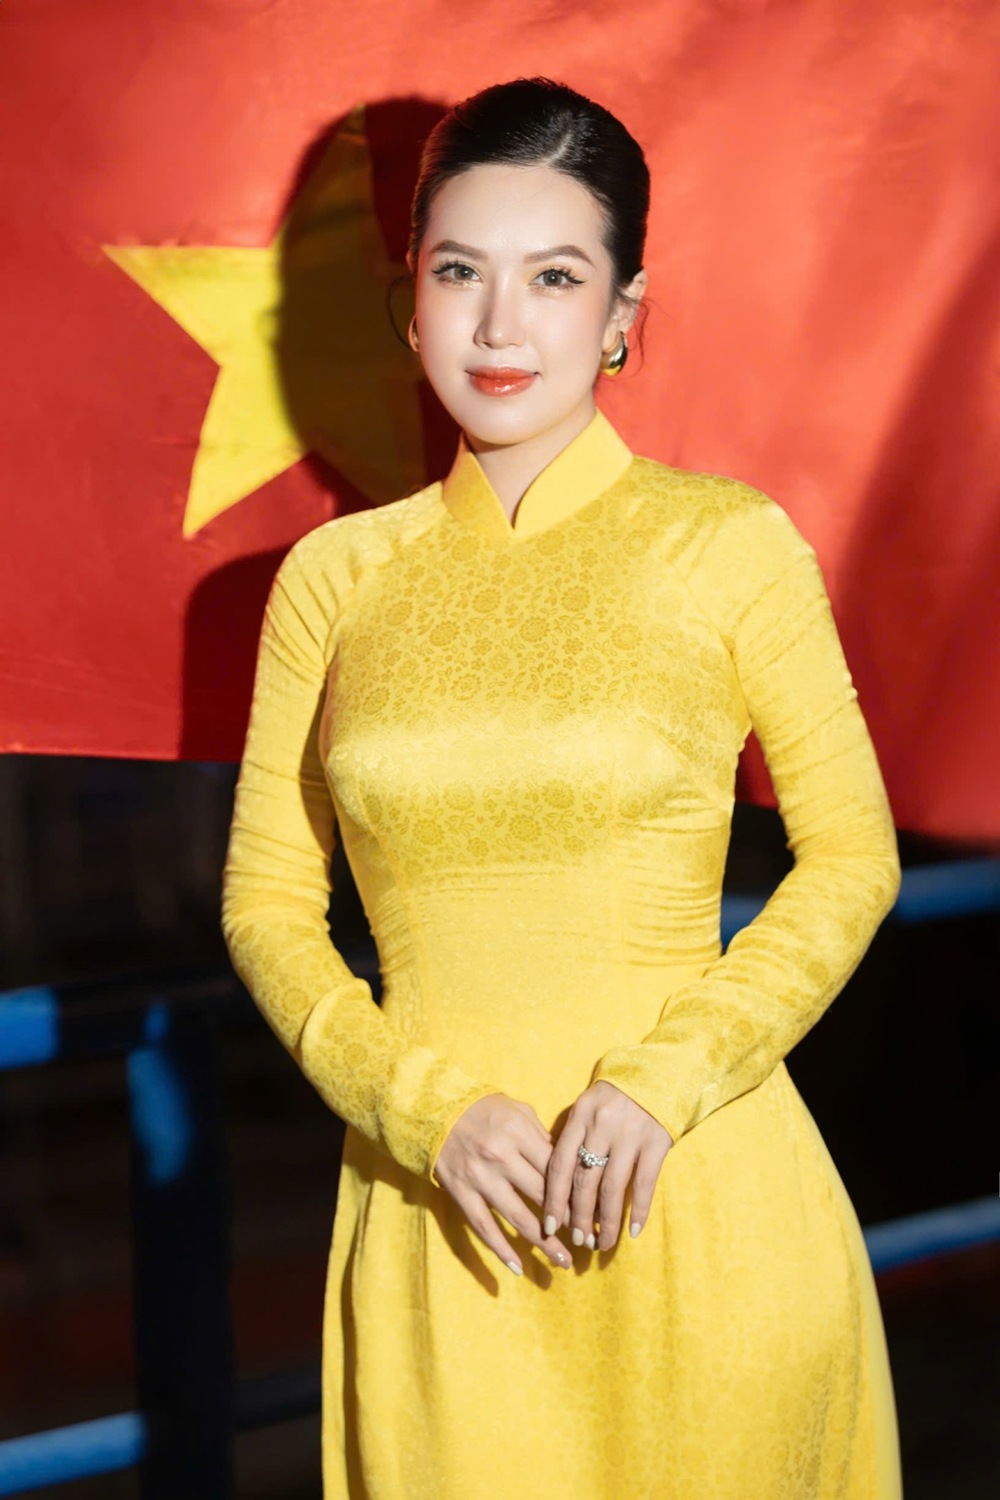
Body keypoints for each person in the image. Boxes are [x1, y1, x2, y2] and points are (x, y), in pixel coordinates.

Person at [221, 75, 903, 1499]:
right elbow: (268, 904)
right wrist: (418, 1109)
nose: (498, 324)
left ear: (623, 313)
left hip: (702, 1204)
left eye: (553, 277)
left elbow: (853, 858)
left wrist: (665, 1082)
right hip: (442, 1223)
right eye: (459, 272)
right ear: (411, 303)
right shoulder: (333, 584)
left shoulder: (730, 547)